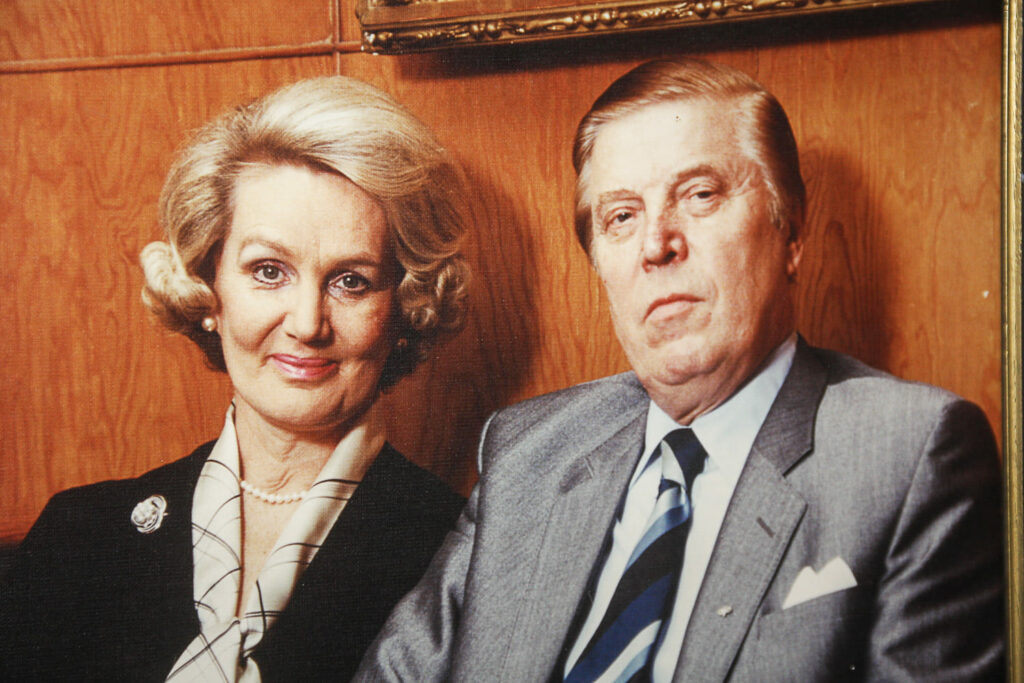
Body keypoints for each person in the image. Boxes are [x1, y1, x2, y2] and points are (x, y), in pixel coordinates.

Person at [355, 58, 1004, 682]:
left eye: (699, 195)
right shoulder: (529, 451)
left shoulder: (908, 452)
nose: (656, 244)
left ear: (791, 233)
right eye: (621, 216)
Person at [0, 76, 469, 682]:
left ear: (402, 309)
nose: (307, 324)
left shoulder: (458, 556)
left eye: (350, 281)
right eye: (269, 271)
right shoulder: (81, 535)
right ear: (208, 287)